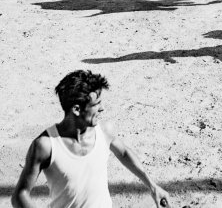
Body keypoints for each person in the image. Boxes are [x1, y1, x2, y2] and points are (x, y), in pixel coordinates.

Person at [11, 70, 169, 208]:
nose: (102, 108)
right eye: (96, 104)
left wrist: (152, 186)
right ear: (77, 109)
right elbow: (20, 195)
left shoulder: (104, 130)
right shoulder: (46, 145)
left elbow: (123, 153)